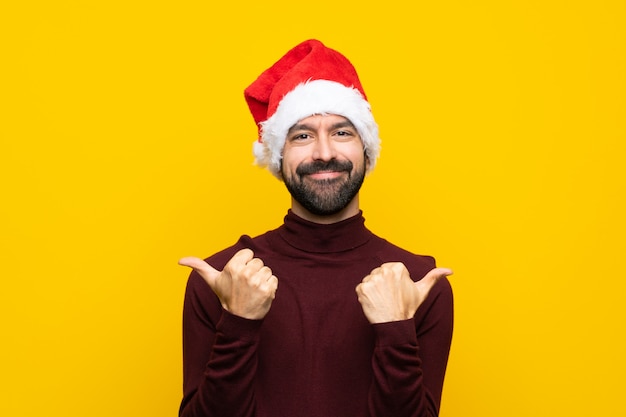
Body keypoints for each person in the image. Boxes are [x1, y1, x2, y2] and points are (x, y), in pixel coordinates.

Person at [177, 39, 454, 417]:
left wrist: (395, 332)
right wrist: (238, 324)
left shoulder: (417, 285)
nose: (324, 152)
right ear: (278, 157)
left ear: (366, 150)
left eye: (342, 132)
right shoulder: (225, 280)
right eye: (302, 136)